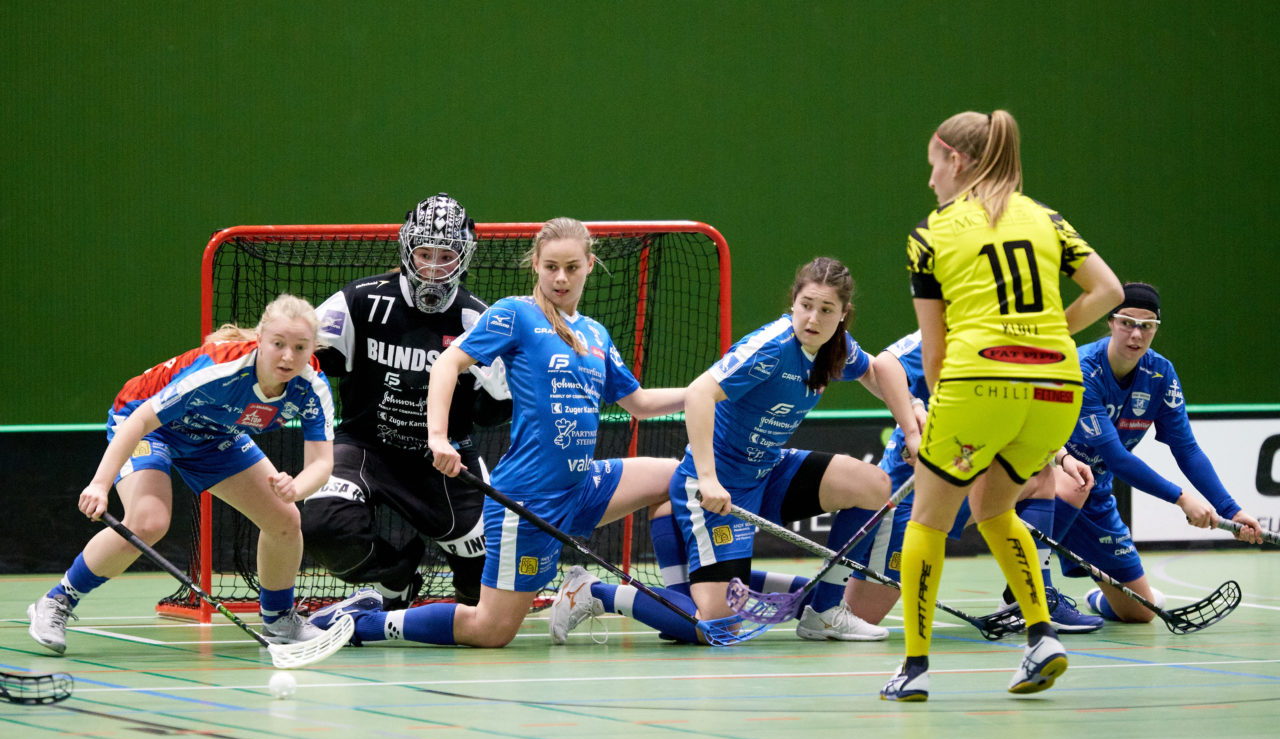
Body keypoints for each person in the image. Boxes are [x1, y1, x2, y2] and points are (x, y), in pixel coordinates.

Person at [308, 217, 702, 648]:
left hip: (583, 485)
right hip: (529, 498)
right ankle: (359, 623)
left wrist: (709, 390)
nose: (561, 277)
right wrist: (437, 437)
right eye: (551, 266)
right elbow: (446, 364)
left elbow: (639, 404)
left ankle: (685, 601)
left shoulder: (595, 334)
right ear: (535, 264)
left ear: (590, 265)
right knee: (490, 631)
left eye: (572, 267)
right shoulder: (515, 314)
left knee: (682, 476)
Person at [880, 109, 1124, 701]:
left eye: (933, 165)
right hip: (1057, 389)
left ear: (956, 160)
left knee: (929, 522)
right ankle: (1041, 636)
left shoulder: (930, 234)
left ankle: (913, 668)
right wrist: (1047, 339)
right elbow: (1109, 292)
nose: (930, 179)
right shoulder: (1046, 217)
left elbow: (934, 356)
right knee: (994, 509)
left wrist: (940, 413)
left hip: (977, 383)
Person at [552, 257, 896, 644]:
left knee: (873, 485)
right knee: (717, 628)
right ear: (793, 303)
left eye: (826, 310)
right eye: (806, 306)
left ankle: (825, 612)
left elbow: (874, 370)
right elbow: (700, 393)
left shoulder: (837, 348)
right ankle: (594, 591)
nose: (813, 318)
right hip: (718, 489)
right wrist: (708, 478)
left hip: (768, 471)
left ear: (843, 315)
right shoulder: (772, 347)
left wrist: (910, 414)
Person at [27, 294, 336, 655]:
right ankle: (56, 601)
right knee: (148, 521)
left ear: (313, 347)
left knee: (285, 519)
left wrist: (295, 488)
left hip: (214, 435)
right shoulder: (220, 370)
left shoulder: (311, 387)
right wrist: (99, 484)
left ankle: (280, 619)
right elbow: (142, 418)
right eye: (278, 344)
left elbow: (321, 463)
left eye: (299, 347)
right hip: (149, 426)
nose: (287, 356)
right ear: (260, 339)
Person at [300, 194, 511, 610]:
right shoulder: (360, 300)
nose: (433, 268)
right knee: (322, 522)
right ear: (406, 249)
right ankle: (395, 580)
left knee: (483, 581)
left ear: (464, 257)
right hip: (365, 447)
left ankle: (465, 587)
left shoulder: (479, 321)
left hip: (444, 460)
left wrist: (502, 391)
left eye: (446, 256)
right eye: (424, 253)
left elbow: (493, 414)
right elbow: (305, 351)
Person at [843, 331, 1103, 633]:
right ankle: (796, 592)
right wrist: (913, 430)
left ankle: (1028, 596)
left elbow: (1019, 414)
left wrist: (1062, 456)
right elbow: (885, 366)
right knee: (860, 617)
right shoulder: (957, 330)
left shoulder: (1017, 345)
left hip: (965, 483)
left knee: (1043, 476)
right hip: (915, 493)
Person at [1050, 282, 1264, 622]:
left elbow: (1187, 449)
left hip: (1097, 491)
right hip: (1051, 475)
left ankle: (1096, 595)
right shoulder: (1083, 369)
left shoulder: (1161, 374)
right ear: (1110, 322)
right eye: (1127, 322)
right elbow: (1117, 458)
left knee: (1140, 612)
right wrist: (1182, 498)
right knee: (1072, 483)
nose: (1136, 334)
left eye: (1147, 325)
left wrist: (1231, 510)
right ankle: (1028, 596)